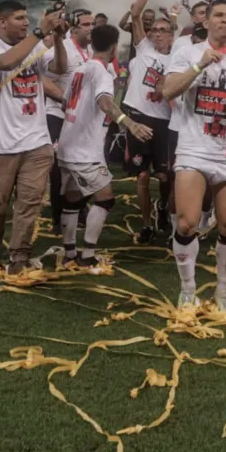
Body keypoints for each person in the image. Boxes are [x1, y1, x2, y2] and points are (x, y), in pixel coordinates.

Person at [163, 0, 226, 311]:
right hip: (193, 147)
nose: (225, 21)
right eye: (218, 15)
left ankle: (222, 289)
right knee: (188, 223)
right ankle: (188, 288)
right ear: (206, 22)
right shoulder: (187, 52)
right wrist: (199, 65)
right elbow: (168, 90)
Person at [0, 0, 67, 273]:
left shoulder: (34, 43)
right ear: (2, 21)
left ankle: (20, 258)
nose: (25, 22)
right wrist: (39, 33)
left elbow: (59, 68)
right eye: (19, 18)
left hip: (36, 139)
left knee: (30, 203)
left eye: (27, 18)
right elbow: (6, 62)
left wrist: (58, 40)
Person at [58, 24, 152, 270]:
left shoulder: (79, 69)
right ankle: (87, 257)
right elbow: (105, 102)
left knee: (73, 199)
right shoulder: (101, 72)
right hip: (85, 150)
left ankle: (69, 253)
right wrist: (129, 123)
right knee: (105, 199)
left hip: (67, 144)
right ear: (113, 47)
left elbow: (64, 103)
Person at [121, 0, 168, 241]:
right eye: (155, 30)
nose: (157, 34)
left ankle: (164, 211)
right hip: (138, 117)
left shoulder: (178, 57)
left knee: (164, 175)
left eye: (164, 30)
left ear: (172, 34)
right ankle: (147, 224)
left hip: (164, 121)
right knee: (141, 176)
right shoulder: (143, 50)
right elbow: (135, 12)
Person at [43, 8, 94, 234]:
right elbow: (43, 80)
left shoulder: (91, 50)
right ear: (73, 28)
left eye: (93, 24)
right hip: (58, 116)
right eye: (86, 25)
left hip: (83, 119)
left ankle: (79, 208)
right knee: (58, 170)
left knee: (82, 165)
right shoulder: (63, 49)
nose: (92, 28)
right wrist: (66, 101)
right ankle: (57, 218)